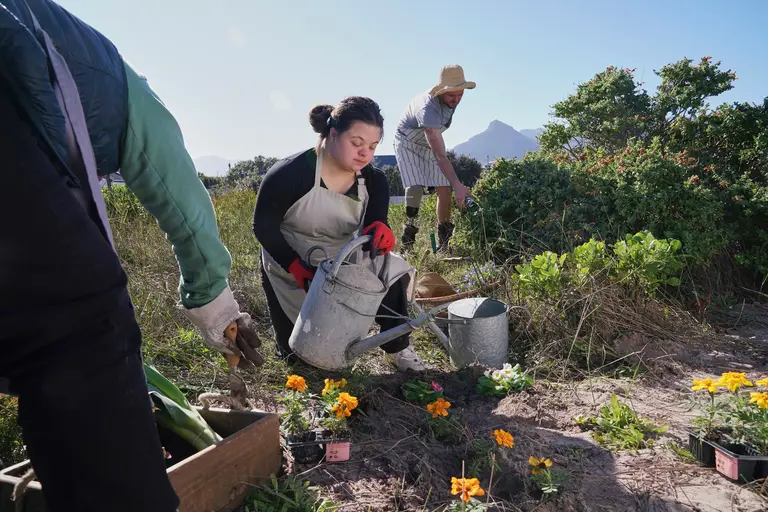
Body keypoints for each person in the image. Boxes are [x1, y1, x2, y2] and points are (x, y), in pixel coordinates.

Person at [0, 1, 260, 510]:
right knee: (81, 327)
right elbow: (182, 200)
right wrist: (219, 305)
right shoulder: (125, 93)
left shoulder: (73, 73)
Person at [253, 97, 426, 372]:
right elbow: (263, 228)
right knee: (296, 360)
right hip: (288, 262)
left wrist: (381, 230)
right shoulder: (290, 173)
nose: (364, 154)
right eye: (356, 143)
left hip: (339, 259)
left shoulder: (374, 181)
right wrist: (296, 267)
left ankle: (399, 347)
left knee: (387, 268)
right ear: (333, 134)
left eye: (372, 146)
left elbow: (372, 229)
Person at [394, 64, 476, 253]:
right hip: (407, 142)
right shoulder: (428, 109)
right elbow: (440, 155)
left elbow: (436, 149)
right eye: (451, 96)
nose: (456, 100)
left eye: (460, 95)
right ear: (440, 92)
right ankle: (408, 239)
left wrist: (453, 186)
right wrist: (459, 186)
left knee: (444, 188)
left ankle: (444, 243)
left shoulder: (451, 101)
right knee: (415, 187)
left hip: (428, 143)